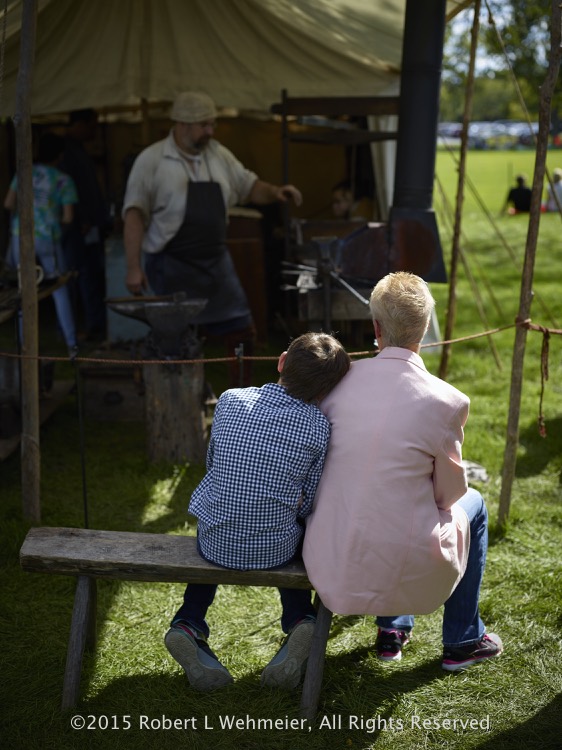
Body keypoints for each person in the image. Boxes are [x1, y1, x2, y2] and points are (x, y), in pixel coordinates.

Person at [303, 272, 503, 672]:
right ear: (425, 328)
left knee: (379, 490)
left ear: (376, 328)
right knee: (473, 503)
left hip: (331, 556)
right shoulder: (448, 400)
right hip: (404, 562)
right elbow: (448, 496)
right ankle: (463, 640)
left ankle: (392, 628)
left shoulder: (338, 381)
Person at [164, 332, 351, 691]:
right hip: (275, 550)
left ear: (281, 362)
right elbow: (309, 500)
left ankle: (188, 622)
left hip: (215, 539)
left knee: (221, 519)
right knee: (291, 529)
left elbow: (213, 463)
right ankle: (300, 619)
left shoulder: (230, 400)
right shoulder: (318, 427)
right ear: (328, 389)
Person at [122, 90, 302, 385]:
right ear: (183, 124)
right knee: (176, 340)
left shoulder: (218, 154)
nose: (211, 131)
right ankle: (180, 395)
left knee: (241, 330)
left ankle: (240, 397)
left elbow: (249, 186)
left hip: (215, 261)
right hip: (170, 262)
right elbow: (134, 215)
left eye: (212, 124)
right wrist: (133, 267)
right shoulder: (152, 160)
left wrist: (274, 192)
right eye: (204, 125)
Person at [4, 132, 78, 355]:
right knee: (59, 289)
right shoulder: (63, 180)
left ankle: (23, 345)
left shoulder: (24, 173)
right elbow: (68, 217)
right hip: (48, 237)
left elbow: (8, 203)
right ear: (60, 155)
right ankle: (72, 345)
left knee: (22, 289)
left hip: (20, 237)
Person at [60, 108, 109, 342]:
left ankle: (92, 324)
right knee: (77, 276)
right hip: (78, 227)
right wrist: (81, 218)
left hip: (87, 225)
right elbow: (70, 192)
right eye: (92, 126)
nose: (94, 131)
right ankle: (77, 327)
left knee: (89, 275)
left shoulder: (78, 150)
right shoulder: (67, 153)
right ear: (80, 124)